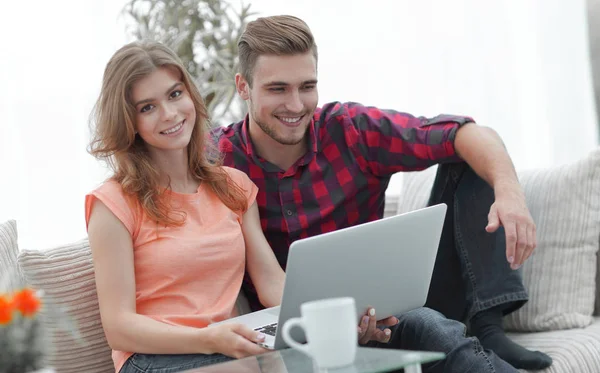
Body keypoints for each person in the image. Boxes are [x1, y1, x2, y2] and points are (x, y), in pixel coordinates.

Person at [212, 15, 553, 371]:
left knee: (467, 153)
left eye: (307, 86)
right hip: (301, 331)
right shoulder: (215, 160)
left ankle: (487, 324)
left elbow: (465, 132)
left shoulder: (350, 130)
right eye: (278, 89)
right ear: (243, 86)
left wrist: (510, 192)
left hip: (389, 310)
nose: (296, 105)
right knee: (432, 327)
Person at [85, 41, 287, 373]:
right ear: (128, 122)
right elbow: (118, 327)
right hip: (153, 357)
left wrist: (332, 313)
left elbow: (272, 285)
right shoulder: (112, 203)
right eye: (147, 107)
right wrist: (210, 339)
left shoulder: (232, 186)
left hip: (227, 349)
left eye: (175, 94)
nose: (170, 114)